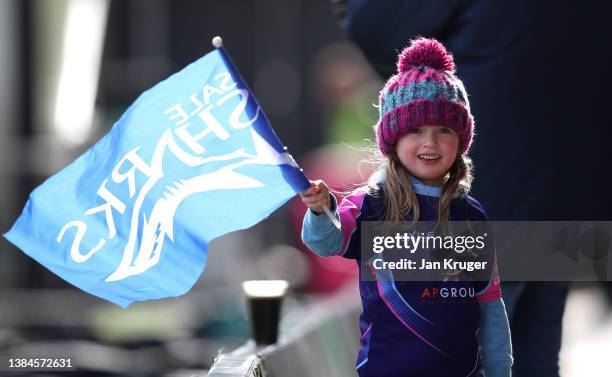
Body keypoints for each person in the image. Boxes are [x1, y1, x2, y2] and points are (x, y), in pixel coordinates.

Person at [300, 38, 512, 377]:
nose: (430, 142)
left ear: (461, 141)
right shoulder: (370, 205)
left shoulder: (472, 214)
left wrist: (500, 368)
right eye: (415, 130)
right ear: (393, 140)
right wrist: (320, 211)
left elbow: (489, 302)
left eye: (444, 129)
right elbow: (324, 242)